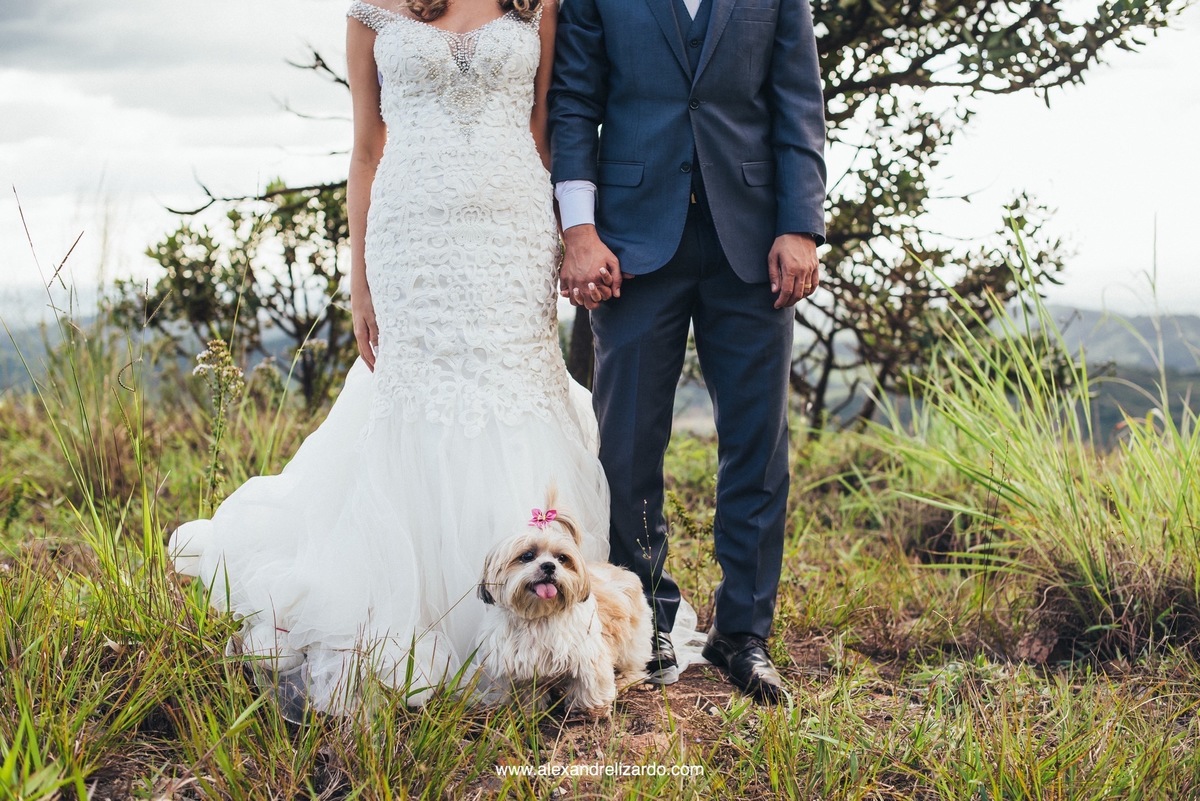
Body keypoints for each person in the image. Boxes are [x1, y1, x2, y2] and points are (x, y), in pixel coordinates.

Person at [168, 0, 698, 716]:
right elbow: (365, 148)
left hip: (512, 228)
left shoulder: (538, 5)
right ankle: (427, 617)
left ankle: (545, 624)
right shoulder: (371, 13)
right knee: (415, 399)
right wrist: (359, 278)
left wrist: (571, 233)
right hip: (411, 233)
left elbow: (548, 130)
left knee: (515, 391)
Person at [549, 0, 827, 701]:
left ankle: (744, 632)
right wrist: (579, 231)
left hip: (754, 240)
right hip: (633, 244)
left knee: (758, 443)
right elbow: (575, 100)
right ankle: (649, 615)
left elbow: (799, 102)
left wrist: (801, 226)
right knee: (630, 443)